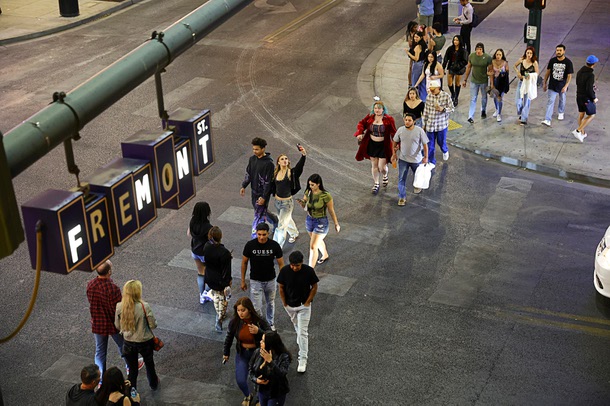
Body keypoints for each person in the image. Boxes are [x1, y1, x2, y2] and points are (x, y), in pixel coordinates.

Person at [86, 260, 142, 382]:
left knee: (100, 351)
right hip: (113, 324)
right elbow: (117, 309)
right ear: (109, 272)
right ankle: (130, 366)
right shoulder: (113, 288)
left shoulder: (90, 284)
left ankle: (100, 380)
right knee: (123, 345)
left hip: (98, 323)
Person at [277, 251, 319, 373]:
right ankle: (301, 343)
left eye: (298, 265)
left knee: (302, 332)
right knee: (297, 326)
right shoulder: (284, 271)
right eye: (293, 265)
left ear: (302, 263)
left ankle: (303, 358)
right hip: (290, 306)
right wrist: (285, 304)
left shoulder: (309, 271)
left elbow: (314, 286)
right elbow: (281, 287)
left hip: (303, 306)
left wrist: (308, 302)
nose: (295, 268)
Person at [223, 297, 270, 406]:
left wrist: (259, 331)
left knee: (260, 379)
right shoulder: (234, 322)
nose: (240, 313)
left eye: (243, 310)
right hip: (243, 353)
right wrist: (226, 353)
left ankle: (260, 398)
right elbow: (229, 337)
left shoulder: (259, 321)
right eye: (238, 310)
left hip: (258, 353)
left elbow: (271, 335)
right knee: (240, 380)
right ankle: (248, 395)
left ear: (249, 309)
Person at [114, 280, 159, 391]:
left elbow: (117, 325)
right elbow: (153, 325)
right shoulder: (144, 306)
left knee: (132, 371)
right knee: (149, 365)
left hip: (128, 343)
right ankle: (153, 385)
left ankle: (131, 393)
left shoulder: (120, 307)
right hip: (145, 341)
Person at [241, 222, 284, 331]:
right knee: (256, 307)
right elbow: (244, 263)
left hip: (270, 280)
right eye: (259, 234)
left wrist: (283, 280)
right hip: (255, 281)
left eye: (264, 235)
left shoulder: (274, 245)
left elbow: (281, 264)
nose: (261, 237)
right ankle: (261, 325)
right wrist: (242, 280)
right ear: (256, 233)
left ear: (268, 234)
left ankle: (270, 323)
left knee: (271, 303)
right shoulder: (250, 245)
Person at [354, 99, 397, 194]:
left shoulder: (389, 120)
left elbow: (394, 132)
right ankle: (376, 183)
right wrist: (360, 133)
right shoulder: (370, 117)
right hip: (372, 144)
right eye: (375, 108)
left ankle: (385, 175)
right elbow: (361, 124)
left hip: (383, 146)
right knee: (374, 165)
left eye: (379, 108)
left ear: (383, 110)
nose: (377, 110)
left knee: (381, 167)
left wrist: (396, 145)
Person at [297, 174, 340, 267]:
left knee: (313, 246)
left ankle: (310, 270)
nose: (310, 187)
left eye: (312, 185)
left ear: (318, 184)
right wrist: (302, 203)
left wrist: (336, 223)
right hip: (309, 220)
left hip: (321, 222)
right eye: (309, 184)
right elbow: (305, 204)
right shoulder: (308, 192)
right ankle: (325, 254)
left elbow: (331, 210)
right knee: (317, 241)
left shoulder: (326, 195)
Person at [240, 137, 279, 239]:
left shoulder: (269, 164)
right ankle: (275, 220)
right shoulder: (252, 159)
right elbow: (249, 173)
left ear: (263, 149)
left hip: (262, 193)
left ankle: (255, 237)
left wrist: (264, 197)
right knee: (259, 210)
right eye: (253, 149)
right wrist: (244, 185)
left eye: (256, 149)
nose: (254, 151)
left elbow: (268, 182)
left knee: (259, 215)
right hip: (254, 191)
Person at [270, 146, 307, 248]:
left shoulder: (292, 173)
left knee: (281, 226)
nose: (285, 160)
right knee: (286, 219)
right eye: (282, 159)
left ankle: (276, 248)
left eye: (286, 159)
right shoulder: (275, 173)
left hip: (287, 204)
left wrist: (303, 154)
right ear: (278, 162)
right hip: (277, 202)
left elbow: (300, 166)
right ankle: (294, 233)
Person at [392, 113, 429, 206]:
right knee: (401, 179)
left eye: (409, 120)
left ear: (414, 121)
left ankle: (418, 186)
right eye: (406, 120)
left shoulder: (419, 131)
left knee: (418, 177)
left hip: (416, 160)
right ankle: (402, 197)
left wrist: (426, 157)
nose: (407, 122)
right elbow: (395, 142)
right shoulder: (400, 130)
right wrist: (394, 153)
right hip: (403, 159)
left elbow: (425, 145)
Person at [202, 226, 233, 332]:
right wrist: (227, 282)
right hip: (221, 280)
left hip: (210, 277)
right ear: (221, 236)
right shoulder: (224, 252)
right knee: (223, 299)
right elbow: (226, 270)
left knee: (216, 297)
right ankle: (219, 318)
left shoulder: (206, 246)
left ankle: (219, 315)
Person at [248, 331, 291, 406]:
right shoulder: (258, 352)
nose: (260, 342)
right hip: (262, 391)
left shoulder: (283, 356)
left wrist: (270, 361)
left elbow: (282, 374)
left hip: (276, 392)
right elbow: (250, 369)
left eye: (263, 341)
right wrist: (256, 380)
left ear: (270, 344)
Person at [421, 79, 454, 166]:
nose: (431, 91)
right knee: (430, 145)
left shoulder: (446, 96)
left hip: (441, 125)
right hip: (430, 126)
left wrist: (443, 109)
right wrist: (423, 125)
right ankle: (431, 161)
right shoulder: (429, 97)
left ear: (438, 88)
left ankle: (445, 150)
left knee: (441, 142)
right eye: (430, 89)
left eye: (433, 89)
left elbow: (452, 108)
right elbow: (426, 111)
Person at [187, 201, 214, 304]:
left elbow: (188, 233)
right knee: (211, 273)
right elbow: (212, 241)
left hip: (195, 250)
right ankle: (205, 294)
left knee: (200, 272)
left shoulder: (192, 221)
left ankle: (201, 294)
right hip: (206, 253)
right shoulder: (208, 227)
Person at [542, 44, 573, 127]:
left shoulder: (568, 62)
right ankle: (547, 119)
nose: (558, 52)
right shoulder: (552, 61)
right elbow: (548, 72)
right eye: (557, 50)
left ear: (564, 51)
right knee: (550, 101)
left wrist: (566, 86)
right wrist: (544, 82)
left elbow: (570, 76)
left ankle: (561, 112)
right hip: (552, 85)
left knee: (562, 99)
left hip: (562, 85)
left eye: (560, 50)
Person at [463, 42, 492, 123]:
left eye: (480, 49)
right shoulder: (472, 56)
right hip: (474, 81)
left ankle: (483, 110)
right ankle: (470, 116)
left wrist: (491, 81)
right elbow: (468, 67)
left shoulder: (487, 58)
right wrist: (465, 79)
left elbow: (490, 70)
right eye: (477, 49)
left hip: (483, 81)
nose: (478, 51)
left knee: (484, 97)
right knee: (473, 98)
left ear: (482, 50)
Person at [573, 55, 599, 142]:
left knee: (581, 114)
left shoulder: (580, 71)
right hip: (586, 98)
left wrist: (592, 86)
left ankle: (582, 133)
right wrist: (594, 98)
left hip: (579, 96)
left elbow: (579, 83)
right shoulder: (590, 75)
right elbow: (588, 89)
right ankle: (578, 130)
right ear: (594, 64)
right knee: (592, 115)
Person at [513, 46, 539, 126]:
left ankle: (524, 118)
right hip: (521, 82)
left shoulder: (534, 63)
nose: (529, 55)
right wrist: (518, 72)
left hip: (528, 84)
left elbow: (537, 73)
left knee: (527, 101)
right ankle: (521, 112)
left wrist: (530, 76)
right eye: (528, 53)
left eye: (530, 53)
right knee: (518, 101)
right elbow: (514, 66)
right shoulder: (522, 60)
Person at [443, 35, 468, 106]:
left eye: (457, 40)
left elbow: (465, 61)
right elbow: (446, 58)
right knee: (449, 83)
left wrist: (458, 66)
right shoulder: (450, 49)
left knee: (457, 83)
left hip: (458, 68)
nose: (455, 42)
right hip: (451, 67)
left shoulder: (463, 50)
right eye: (454, 40)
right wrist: (443, 67)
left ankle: (456, 97)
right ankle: (453, 94)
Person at [406, 32, 428, 101]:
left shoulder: (418, 46)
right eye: (415, 37)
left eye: (417, 37)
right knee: (422, 82)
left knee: (415, 81)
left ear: (421, 37)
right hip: (422, 64)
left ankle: (414, 98)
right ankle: (423, 98)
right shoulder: (423, 44)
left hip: (417, 65)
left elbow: (416, 58)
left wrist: (408, 52)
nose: (415, 38)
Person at [490, 48, 510, 123]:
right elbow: (491, 73)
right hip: (495, 82)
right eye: (497, 54)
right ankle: (496, 109)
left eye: (500, 55)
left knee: (500, 98)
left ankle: (499, 113)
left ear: (502, 56)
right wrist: (492, 84)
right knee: (495, 97)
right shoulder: (492, 62)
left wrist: (503, 73)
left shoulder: (505, 63)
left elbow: (507, 74)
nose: (498, 56)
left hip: (502, 83)